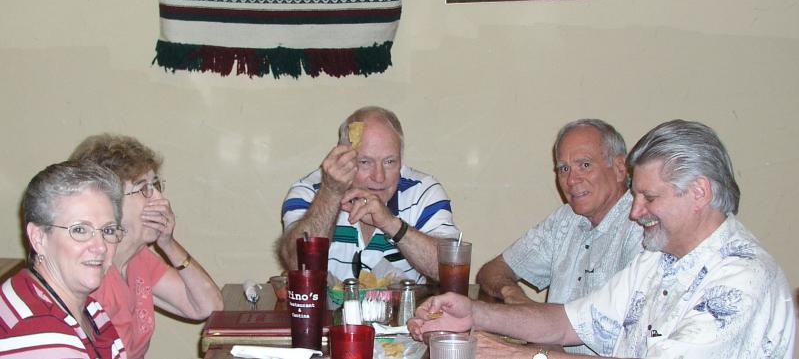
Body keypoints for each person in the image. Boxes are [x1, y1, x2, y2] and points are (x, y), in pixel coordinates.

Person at [409, 120, 796, 358]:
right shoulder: (661, 257)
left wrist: (517, 356)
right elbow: (567, 323)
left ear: (699, 192)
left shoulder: (740, 281)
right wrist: (472, 313)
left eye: (649, 197)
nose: (634, 210)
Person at [476, 119, 642, 355]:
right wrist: (514, 296)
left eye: (584, 165)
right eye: (564, 169)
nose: (571, 180)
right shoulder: (566, 219)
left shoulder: (641, 227)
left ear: (619, 168)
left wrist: (518, 352)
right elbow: (491, 271)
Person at [70, 134, 223, 359]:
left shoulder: (138, 258)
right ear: (107, 201)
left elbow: (209, 307)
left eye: (156, 185)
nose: (160, 198)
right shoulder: (90, 276)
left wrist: (168, 243)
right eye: (143, 189)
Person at [278, 106, 460, 283]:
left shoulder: (423, 191)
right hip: (327, 313)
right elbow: (298, 265)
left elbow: (452, 271)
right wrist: (331, 193)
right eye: (365, 162)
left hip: (406, 313)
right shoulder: (309, 192)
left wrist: (392, 225)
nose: (379, 177)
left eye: (389, 161)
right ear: (343, 158)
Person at [0, 161, 127, 358]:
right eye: (80, 230)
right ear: (38, 237)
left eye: (108, 230)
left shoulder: (90, 311)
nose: (101, 246)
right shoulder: (38, 332)